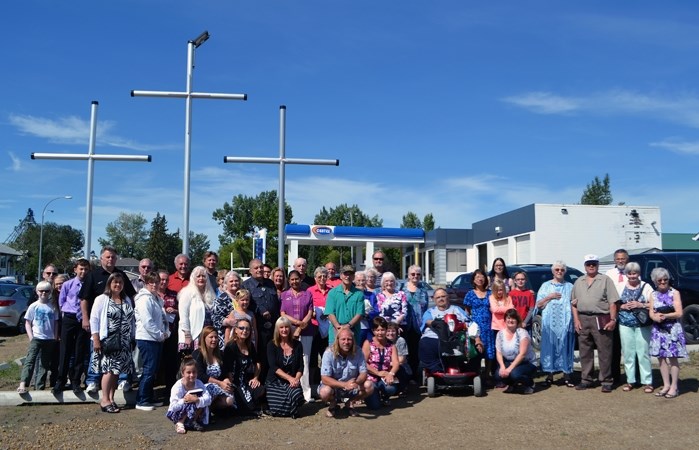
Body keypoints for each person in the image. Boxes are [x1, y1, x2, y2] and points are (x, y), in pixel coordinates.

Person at [79, 246, 137, 394]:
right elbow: (84, 299)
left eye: (113, 257)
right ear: (101, 259)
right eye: (108, 257)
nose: (110, 259)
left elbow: (132, 296)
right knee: (97, 354)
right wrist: (85, 318)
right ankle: (92, 381)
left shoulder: (121, 275)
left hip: (121, 330)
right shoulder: (93, 275)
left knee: (119, 358)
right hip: (102, 326)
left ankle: (122, 381)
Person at [572, 254, 620, 392]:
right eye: (588, 264)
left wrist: (612, 319)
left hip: (601, 318)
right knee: (584, 351)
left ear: (598, 265)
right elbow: (573, 303)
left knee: (604, 350)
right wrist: (576, 320)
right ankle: (586, 379)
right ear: (585, 266)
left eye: (594, 264)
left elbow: (613, 302)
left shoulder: (605, 280)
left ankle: (606, 380)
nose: (591, 266)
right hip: (583, 318)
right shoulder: (579, 281)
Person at [90, 272, 135, 413]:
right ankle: (104, 400)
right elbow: (94, 319)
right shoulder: (102, 299)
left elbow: (131, 320)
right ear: (109, 284)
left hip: (124, 341)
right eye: (115, 282)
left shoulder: (126, 299)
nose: (118, 285)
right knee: (108, 370)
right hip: (108, 341)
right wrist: (96, 338)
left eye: (120, 283)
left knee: (117, 371)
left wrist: (132, 338)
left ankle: (111, 398)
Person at [419, 288, 483, 373]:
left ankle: (469, 370)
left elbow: (471, 324)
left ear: (448, 297)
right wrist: (437, 323)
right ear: (434, 299)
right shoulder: (430, 311)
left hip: (457, 337)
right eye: (438, 297)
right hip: (435, 338)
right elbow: (427, 321)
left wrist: (477, 340)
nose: (441, 299)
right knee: (425, 343)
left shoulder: (457, 309)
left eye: (443, 296)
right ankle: (437, 370)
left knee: (477, 348)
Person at [649, 267, 687, 398]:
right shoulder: (653, 294)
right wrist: (655, 317)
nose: (663, 282)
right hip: (658, 330)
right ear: (655, 281)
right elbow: (651, 312)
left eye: (665, 279)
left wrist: (665, 316)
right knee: (661, 358)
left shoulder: (674, 293)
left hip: (672, 329)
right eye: (660, 280)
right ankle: (666, 385)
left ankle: (674, 386)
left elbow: (679, 312)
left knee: (673, 358)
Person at [54, 258, 91, 394]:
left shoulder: (89, 285)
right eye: (81, 269)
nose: (83, 271)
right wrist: (68, 311)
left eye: (86, 269)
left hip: (83, 320)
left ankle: (76, 381)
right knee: (65, 351)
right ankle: (61, 380)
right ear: (75, 269)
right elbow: (61, 301)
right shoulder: (68, 284)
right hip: (69, 318)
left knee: (79, 351)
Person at [134, 271, 170, 411]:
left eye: (156, 282)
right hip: (147, 338)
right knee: (148, 370)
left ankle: (148, 397)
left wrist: (166, 332)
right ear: (146, 283)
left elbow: (162, 318)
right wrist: (159, 335)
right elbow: (147, 321)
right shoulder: (144, 299)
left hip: (157, 338)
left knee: (153, 370)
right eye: (151, 282)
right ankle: (142, 400)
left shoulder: (156, 298)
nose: (154, 285)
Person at [536, 261, 575, 387]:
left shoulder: (570, 286)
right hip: (550, 324)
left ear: (565, 271)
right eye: (557, 269)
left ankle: (567, 375)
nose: (559, 272)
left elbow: (575, 303)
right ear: (553, 271)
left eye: (562, 270)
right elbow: (539, 304)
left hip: (565, 323)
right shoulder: (545, 286)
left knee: (565, 347)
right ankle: (549, 374)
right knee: (550, 347)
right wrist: (550, 297)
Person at [617, 262, 654, 393]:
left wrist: (641, 304)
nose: (632, 276)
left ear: (639, 273)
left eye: (635, 273)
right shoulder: (620, 286)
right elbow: (613, 303)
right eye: (630, 273)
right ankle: (630, 380)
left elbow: (654, 304)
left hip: (642, 324)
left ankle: (647, 381)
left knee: (643, 352)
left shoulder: (646, 286)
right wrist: (622, 306)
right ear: (626, 274)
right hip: (625, 324)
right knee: (628, 353)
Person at [318, 328, 373, 418]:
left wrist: (355, 382)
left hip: (352, 386)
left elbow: (363, 373)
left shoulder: (358, 351)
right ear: (338, 340)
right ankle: (333, 403)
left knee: (369, 385)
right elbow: (324, 378)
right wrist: (344, 385)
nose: (346, 342)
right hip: (334, 388)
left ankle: (350, 402)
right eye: (343, 339)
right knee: (324, 392)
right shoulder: (328, 353)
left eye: (349, 339)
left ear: (353, 340)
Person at [17, 281, 59, 394]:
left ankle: (39, 387)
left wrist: (55, 336)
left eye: (46, 291)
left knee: (44, 364)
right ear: (37, 292)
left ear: (50, 292)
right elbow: (27, 322)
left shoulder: (53, 306)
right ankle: (23, 384)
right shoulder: (33, 306)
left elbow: (56, 322)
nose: (44, 293)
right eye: (41, 291)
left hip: (49, 339)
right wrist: (31, 336)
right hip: (36, 338)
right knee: (30, 360)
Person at [242, 258, 280, 381]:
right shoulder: (246, 285)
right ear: (250, 271)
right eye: (256, 268)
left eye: (261, 267)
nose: (259, 270)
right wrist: (261, 311)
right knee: (259, 358)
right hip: (257, 329)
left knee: (273, 357)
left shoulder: (270, 283)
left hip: (273, 328)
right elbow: (245, 304)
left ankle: (271, 385)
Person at [279, 270, 314, 402]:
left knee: (304, 361)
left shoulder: (307, 294)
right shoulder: (284, 295)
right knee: (288, 360)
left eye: (297, 279)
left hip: (306, 332)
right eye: (292, 279)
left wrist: (300, 326)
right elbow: (282, 313)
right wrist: (296, 323)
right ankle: (288, 390)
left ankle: (306, 393)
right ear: (289, 280)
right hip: (287, 332)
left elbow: (310, 312)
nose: (294, 281)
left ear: (300, 279)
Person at [265, 317, 305, 417]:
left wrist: (295, 379)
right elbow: (273, 367)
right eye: (281, 327)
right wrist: (290, 379)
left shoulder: (298, 345)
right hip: (275, 381)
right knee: (276, 410)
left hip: (291, 381)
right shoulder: (271, 345)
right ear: (277, 329)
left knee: (297, 396)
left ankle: (291, 406)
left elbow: (301, 366)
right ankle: (291, 409)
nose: (284, 330)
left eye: (286, 327)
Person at [223, 317, 264, 414]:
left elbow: (257, 362)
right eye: (241, 328)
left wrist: (256, 377)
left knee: (261, 390)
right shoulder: (231, 346)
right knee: (248, 408)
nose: (245, 331)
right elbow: (227, 368)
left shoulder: (250, 345)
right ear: (236, 330)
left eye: (247, 329)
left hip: (245, 380)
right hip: (234, 382)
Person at [463, 269, 494, 384]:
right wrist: (468, 324)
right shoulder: (470, 294)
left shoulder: (490, 293)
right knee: (477, 351)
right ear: (474, 280)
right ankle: (477, 375)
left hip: (489, 325)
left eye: (482, 277)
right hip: (475, 326)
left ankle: (487, 375)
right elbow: (467, 311)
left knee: (489, 352)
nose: (480, 279)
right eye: (477, 277)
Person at [495, 309, 537, 394]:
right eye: (508, 318)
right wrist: (502, 367)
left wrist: (509, 370)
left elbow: (522, 354)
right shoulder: (500, 334)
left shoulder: (522, 333)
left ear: (517, 321)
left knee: (515, 374)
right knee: (498, 375)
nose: (510, 320)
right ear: (505, 320)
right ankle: (512, 384)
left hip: (526, 362)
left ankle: (530, 383)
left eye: (513, 318)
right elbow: (498, 352)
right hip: (509, 361)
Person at [192, 326, 236, 410]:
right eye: (211, 337)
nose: (214, 340)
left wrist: (226, 380)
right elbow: (200, 376)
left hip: (218, 386)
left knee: (229, 400)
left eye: (216, 337)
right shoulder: (197, 354)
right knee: (213, 388)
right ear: (204, 339)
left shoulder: (220, 354)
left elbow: (224, 372)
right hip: (202, 386)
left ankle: (210, 408)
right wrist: (219, 383)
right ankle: (200, 412)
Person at [166, 356, 212, 434]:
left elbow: (208, 399)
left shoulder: (199, 383)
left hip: (194, 410)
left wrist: (197, 400)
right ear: (182, 373)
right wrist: (184, 400)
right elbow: (172, 407)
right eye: (188, 372)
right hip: (178, 412)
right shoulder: (177, 387)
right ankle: (180, 422)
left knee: (199, 398)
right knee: (190, 399)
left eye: (194, 372)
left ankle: (192, 420)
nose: (192, 375)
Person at [362, 317, 401, 409]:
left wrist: (391, 374)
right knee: (375, 407)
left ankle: (385, 397)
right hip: (370, 377)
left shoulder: (391, 345)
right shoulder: (368, 343)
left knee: (391, 388)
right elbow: (363, 363)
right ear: (373, 331)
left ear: (386, 330)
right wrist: (377, 373)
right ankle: (369, 395)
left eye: (382, 330)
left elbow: (396, 363)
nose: (380, 333)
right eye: (377, 330)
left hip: (385, 377)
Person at [177, 266, 217, 356]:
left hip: (207, 335)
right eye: (198, 276)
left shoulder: (210, 294)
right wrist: (187, 336)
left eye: (203, 276)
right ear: (193, 278)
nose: (201, 278)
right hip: (193, 335)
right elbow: (184, 316)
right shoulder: (187, 293)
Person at [399, 265, 429, 380]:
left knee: (415, 350)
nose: (415, 276)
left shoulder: (423, 290)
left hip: (417, 325)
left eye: (418, 274)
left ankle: (414, 375)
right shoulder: (401, 288)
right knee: (403, 349)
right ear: (408, 275)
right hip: (404, 324)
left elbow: (425, 308)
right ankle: (404, 375)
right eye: (413, 274)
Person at [605, 249, 630, 385]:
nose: (621, 261)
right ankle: (615, 377)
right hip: (613, 311)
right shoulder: (609, 274)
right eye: (618, 259)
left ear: (627, 259)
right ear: (615, 260)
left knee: (629, 346)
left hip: (629, 312)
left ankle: (632, 377)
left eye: (623, 258)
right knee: (614, 347)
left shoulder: (632, 272)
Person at [325, 265, 364, 344]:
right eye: (345, 274)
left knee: (353, 355)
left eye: (350, 274)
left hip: (353, 333)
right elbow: (330, 312)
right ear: (341, 276)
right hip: (335, 333)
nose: (348, 276)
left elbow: (359, 314)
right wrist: (338, 327)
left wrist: (348, 326)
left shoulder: (359, 294)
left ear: (353, 276)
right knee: (335, 355)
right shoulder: (332, 293)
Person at [308, 267, 331, 387]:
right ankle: (312, 385)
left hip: (329, 328)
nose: (322, 278)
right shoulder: (310, 290)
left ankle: (327, 384)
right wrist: (312, 312)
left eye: (324, 276)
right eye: (319, 276)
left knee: (327, 357)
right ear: (315, 278)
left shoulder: (332, 291)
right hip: (314, 328)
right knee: (312, 358)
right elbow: (307, 307)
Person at [157, 269, 179, 391]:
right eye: (161, 279)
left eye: (166, 280)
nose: (163, 282)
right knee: (155, 363)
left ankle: (170, 389)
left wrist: (175, 311)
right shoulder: (151, 294)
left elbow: (183, 312)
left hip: (171, 333)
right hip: (155, 334)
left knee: (170, 362)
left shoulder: (174, 295)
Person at [489, 279, 513, 387]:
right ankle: (496, 377)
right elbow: (494, 310)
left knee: (506, 352)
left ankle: (507, 377)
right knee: (497, 353)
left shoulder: (508, 298)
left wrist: (501, 308)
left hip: (506, 328)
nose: (500, 292)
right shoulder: (491, 298)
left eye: (501, 290)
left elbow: (511, 310)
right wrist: (505, 309)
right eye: (498, 290)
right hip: (496, 328)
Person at [212, 270, 242, 350]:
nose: (234, 283)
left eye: (236, 281)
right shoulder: (221, 299)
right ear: (226, 284)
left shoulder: (244, 297)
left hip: (242, 337)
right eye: (231, 281)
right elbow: (215, 318)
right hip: (226, 337)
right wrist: (228, 321)